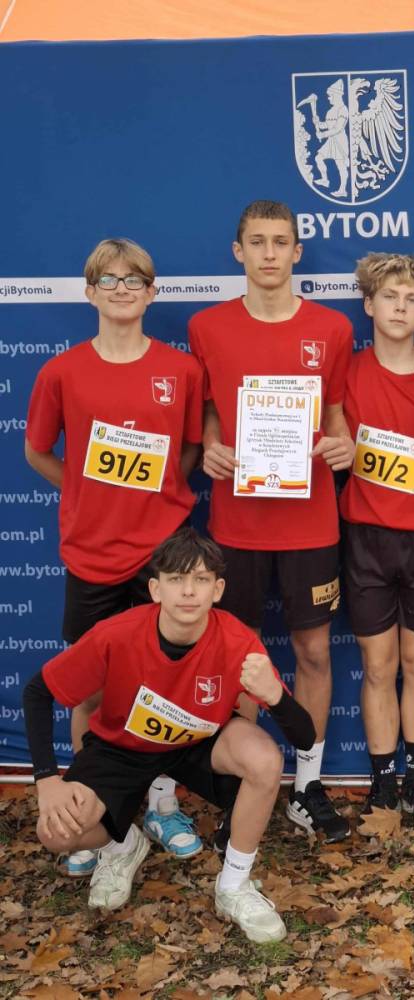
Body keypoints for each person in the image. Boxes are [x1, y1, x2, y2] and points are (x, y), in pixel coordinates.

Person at [23, 529, 315, 940]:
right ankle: (122, 845)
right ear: (156, 589)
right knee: (55, 832)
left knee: (264, 758)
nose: (188, 591)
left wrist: (276, 697)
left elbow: (304, 737)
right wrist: (47, 780)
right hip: (121, 749)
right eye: (176, 579)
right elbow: (37, 692)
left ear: (217, 590)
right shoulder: (116, 633)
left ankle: (234, 886)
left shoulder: (237, 639)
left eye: (200, 579)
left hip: (197, 743)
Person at [24, 238, 206, 875]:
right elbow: (37, 451)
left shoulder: (181, 371)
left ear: (152, 292)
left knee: (163, 687)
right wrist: (82, 490)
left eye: (134, 279)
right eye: (109, 279)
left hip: (161, 556)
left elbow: (188, 452)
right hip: (92, 555)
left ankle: (160, 804)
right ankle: (90, 813)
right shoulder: (61, 372)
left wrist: (158, 500)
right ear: (90, 291)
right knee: (91, 690)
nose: (122, 289)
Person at [188, 200, 355, 843]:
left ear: (296, 252)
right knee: (243, 655)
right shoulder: (207, 326)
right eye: (256, 242)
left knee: (313, 650)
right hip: (239, 524)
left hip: (310, 522)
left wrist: (344, 446)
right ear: (238, 251)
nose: (268, 253)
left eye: (280, 242)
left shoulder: (332, 328)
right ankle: (245, 783)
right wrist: (210, 446)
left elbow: (335, 413)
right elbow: (207, 411)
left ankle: (307, 786)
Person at [340, 252, 414, 831]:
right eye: (390, 297)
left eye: (412, 300)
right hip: (366, 538)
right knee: (378, 666)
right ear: (369, 304)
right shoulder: (346, 371)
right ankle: (383, 781)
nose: (401, 308)